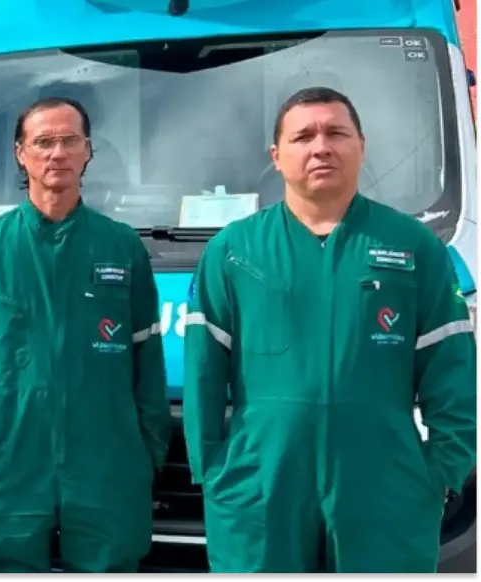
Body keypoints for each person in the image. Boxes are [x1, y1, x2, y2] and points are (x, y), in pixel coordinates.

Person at [183, 87, 477, 573]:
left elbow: (452, 368)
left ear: (361, 145)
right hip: (260, 483)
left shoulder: (414, 247)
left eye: (336, 133)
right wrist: (213, 470)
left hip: (385, 480)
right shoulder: (233, 252)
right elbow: (203, 375)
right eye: (303, 136)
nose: (321, 147)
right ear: (277, 156)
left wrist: (443, 468)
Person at [0, 97, 173, 573]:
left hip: (105, 461)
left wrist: (145, 451)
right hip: (8, 459)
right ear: (20, 153)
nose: (57, 153)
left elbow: (147, 361)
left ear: (88, 150)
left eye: (70, 140)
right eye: (44, 141)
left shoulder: (120, 246)